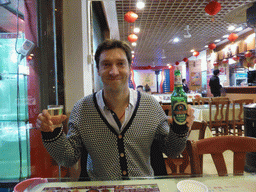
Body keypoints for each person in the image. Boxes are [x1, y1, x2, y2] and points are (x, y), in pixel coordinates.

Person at [36, 39, 195, 181]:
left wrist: (181, 128)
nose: (114, 71)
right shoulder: (82, 109)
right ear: (97, 70)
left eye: (120, 63)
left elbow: (173, 151)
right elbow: (68, 159)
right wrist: (52, 134)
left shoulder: (150, 105)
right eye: (106, 65)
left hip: (143, 187)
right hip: (100, 188)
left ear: (129, 67)